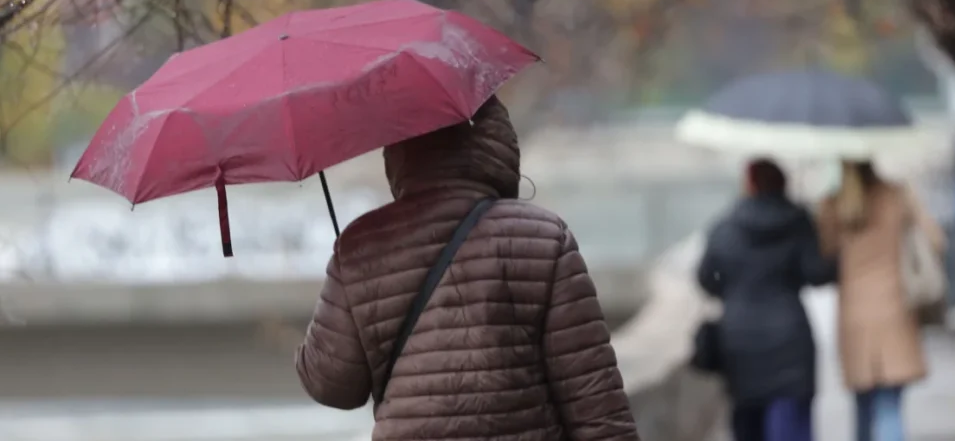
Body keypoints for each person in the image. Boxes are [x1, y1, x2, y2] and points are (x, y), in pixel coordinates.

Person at [294, 96, 639, 440]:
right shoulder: (545, 238)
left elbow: (332, 386)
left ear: (398, 151)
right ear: (493, 138)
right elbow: (596, 405)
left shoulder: (361, 246)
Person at [697, 159, 837, 441]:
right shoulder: (799, 222)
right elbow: (816, 273)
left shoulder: (725, 226)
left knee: (749, 428)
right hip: (790, 341)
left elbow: (706, 279)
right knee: (792, 429)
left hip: (739, 341)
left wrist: (735, 291)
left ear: (749, 184)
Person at [817, 161, 946, 441]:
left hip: (854, 315)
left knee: (863, 406)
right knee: (889, 407)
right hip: (894, 310)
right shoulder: (897, 195)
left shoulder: (833, 204)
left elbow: (824, 254)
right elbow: (936, 240)